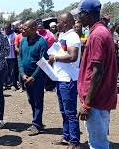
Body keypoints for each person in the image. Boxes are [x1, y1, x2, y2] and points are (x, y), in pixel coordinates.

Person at [73, 0, 118, 149]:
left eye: (80, 14)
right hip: (100, 97)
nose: (78, 18)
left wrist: (87, 104)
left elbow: (97, 72)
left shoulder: (98, 35)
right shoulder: (100, 32)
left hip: (96, 100)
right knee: (99, 140)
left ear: (88, 14)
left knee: (97, 144)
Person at [48, 13, 81, 148]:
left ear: (65, 23)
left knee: (70, 112)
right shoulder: (62, 35)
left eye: (59, 21)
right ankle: (67, 137)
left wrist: (55, 58)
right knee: (64, 111)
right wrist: (52, 54)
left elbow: (73, 57)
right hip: (60, 78)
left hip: (69, 80)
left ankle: (74, 141)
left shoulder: (73, 36)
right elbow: (60, 51)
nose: (57, 24)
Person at [18, 19, 48, 136]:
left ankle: (37, 124)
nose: (22, 31)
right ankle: (36, 122)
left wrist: (33, 76)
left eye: (24, 29)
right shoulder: (23, 41)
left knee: (38, 100)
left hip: (38, 77)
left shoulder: (41, 42)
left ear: (32, 29)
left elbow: (43, 62)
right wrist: (22, 74)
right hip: (26, 77)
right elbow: (20, 57)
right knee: (31, 100)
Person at [3, 22, 18, 90]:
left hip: (12, 57)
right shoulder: (3, 35)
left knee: (12, 72)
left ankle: (13, 85)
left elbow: (16, 45)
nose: (6, 30)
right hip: (4, 57)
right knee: (4, 72)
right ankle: (5, 84)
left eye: (7, 29)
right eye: (5, 29)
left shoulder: (14, 35)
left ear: (10, 28)